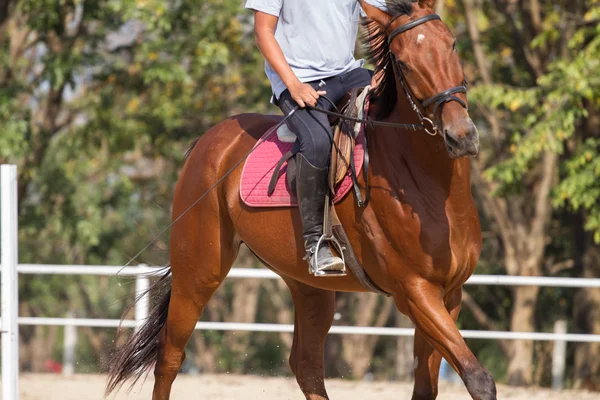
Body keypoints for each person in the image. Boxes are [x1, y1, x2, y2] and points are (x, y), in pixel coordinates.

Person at [245, 0, 385, 276]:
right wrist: (293, 84)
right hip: (298, 80)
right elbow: (263, 32)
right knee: (318, 141)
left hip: (347, 74)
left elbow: (381, 17)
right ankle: (316, 243)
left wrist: (383, 68)